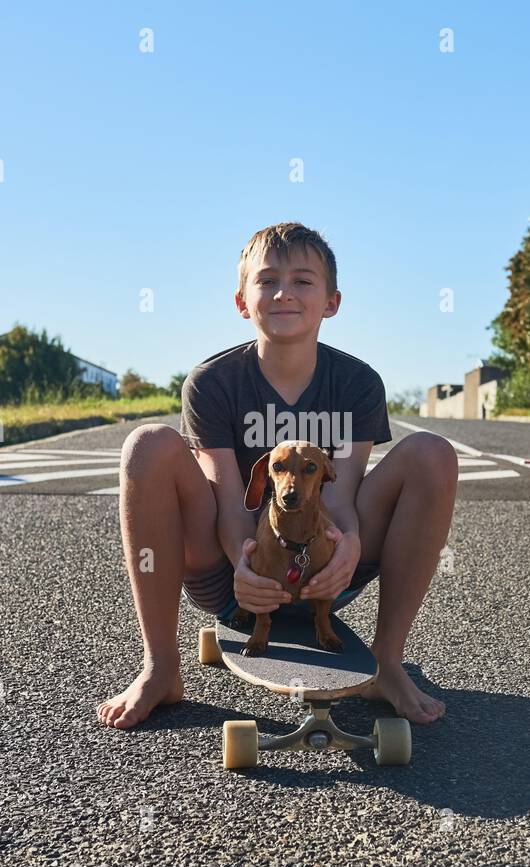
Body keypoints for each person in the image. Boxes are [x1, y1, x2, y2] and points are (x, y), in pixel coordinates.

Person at [97, 222, 457, 729]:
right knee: (148, 445)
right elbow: (226, 499)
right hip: (233, 575)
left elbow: (345, 489)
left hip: (327, 572)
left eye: (303, 281)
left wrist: (350, 543)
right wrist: (246, 568)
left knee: (432, 453)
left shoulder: (356, 383)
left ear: (331, 302)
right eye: (267, 281)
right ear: (243, 302)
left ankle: (387, 663)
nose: (285, 292)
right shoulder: (213, 383)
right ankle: (160, 666)